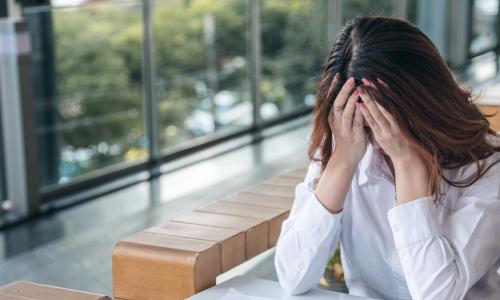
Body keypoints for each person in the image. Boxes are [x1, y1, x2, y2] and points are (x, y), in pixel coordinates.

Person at [274, 16, 500, 300]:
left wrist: (407, 164)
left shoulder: (488, 166)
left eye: (385, 119)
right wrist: (342, 162)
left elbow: (436, 295)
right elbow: (292, 276)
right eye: (366, 121)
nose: (377, 139)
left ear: (425, 101)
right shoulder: (349, 140)